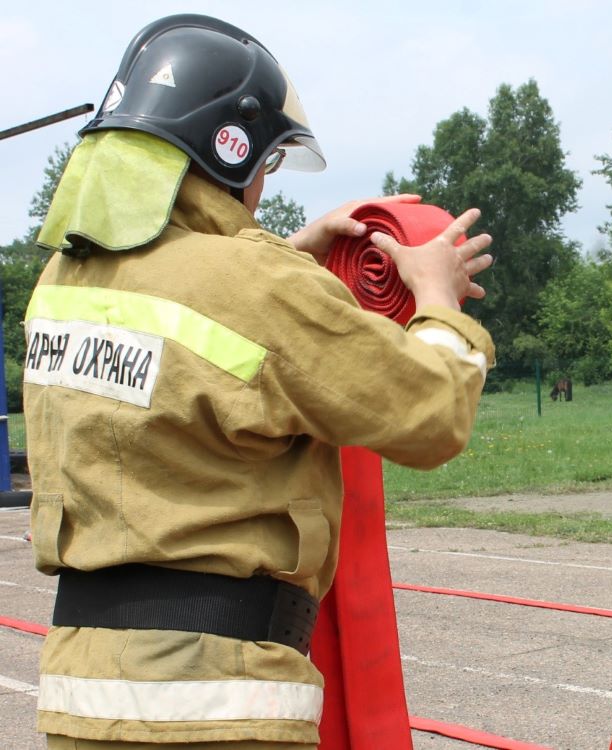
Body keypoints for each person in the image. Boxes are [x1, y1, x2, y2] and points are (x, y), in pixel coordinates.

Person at [24, 14, 494, 749]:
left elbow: (190, 313)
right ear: (229, 153)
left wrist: (290, 256)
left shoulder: (60, 281)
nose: (262, 189)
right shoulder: (256, 285)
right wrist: (438, 301)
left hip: (80, 694)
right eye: (264, 166)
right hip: (218, 700)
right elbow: (432, 414)